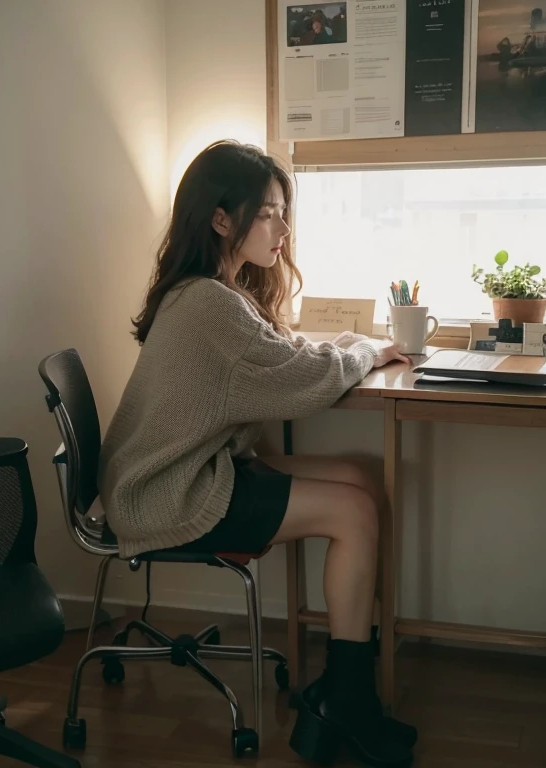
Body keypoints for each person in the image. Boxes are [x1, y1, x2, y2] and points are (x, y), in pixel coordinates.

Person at [98, 140, 417, 767]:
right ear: (222, 219)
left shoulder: (211, 292)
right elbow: (304, 382)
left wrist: (352, 347)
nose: (282, 227)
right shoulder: (210, 305)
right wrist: (365, 351)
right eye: (267, 213)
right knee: (353, 512)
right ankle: (347, 703)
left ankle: (338, 683)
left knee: (358, 477)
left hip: (188, 470)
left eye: (282, 212)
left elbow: (285, 360)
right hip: (172, 491)